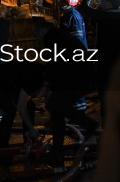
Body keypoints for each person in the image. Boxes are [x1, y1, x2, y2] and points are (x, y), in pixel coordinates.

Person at [32, 18, 99, 167]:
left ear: (41, 31)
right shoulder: (59, 36)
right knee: (56, 110)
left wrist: (45, 87)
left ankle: (90, 126)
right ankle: (57, 152)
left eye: (36, 34)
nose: (36, 38)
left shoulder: (52, 39)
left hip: (77, 77)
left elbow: (54, 65)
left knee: (57, 106)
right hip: (79, 76)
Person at [78, 0, 120, 123]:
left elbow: (83, 9)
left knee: (105, 99)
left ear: (107, 2)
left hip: (105, 65)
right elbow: (110, 3)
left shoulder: (103, 16)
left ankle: (108, 130)